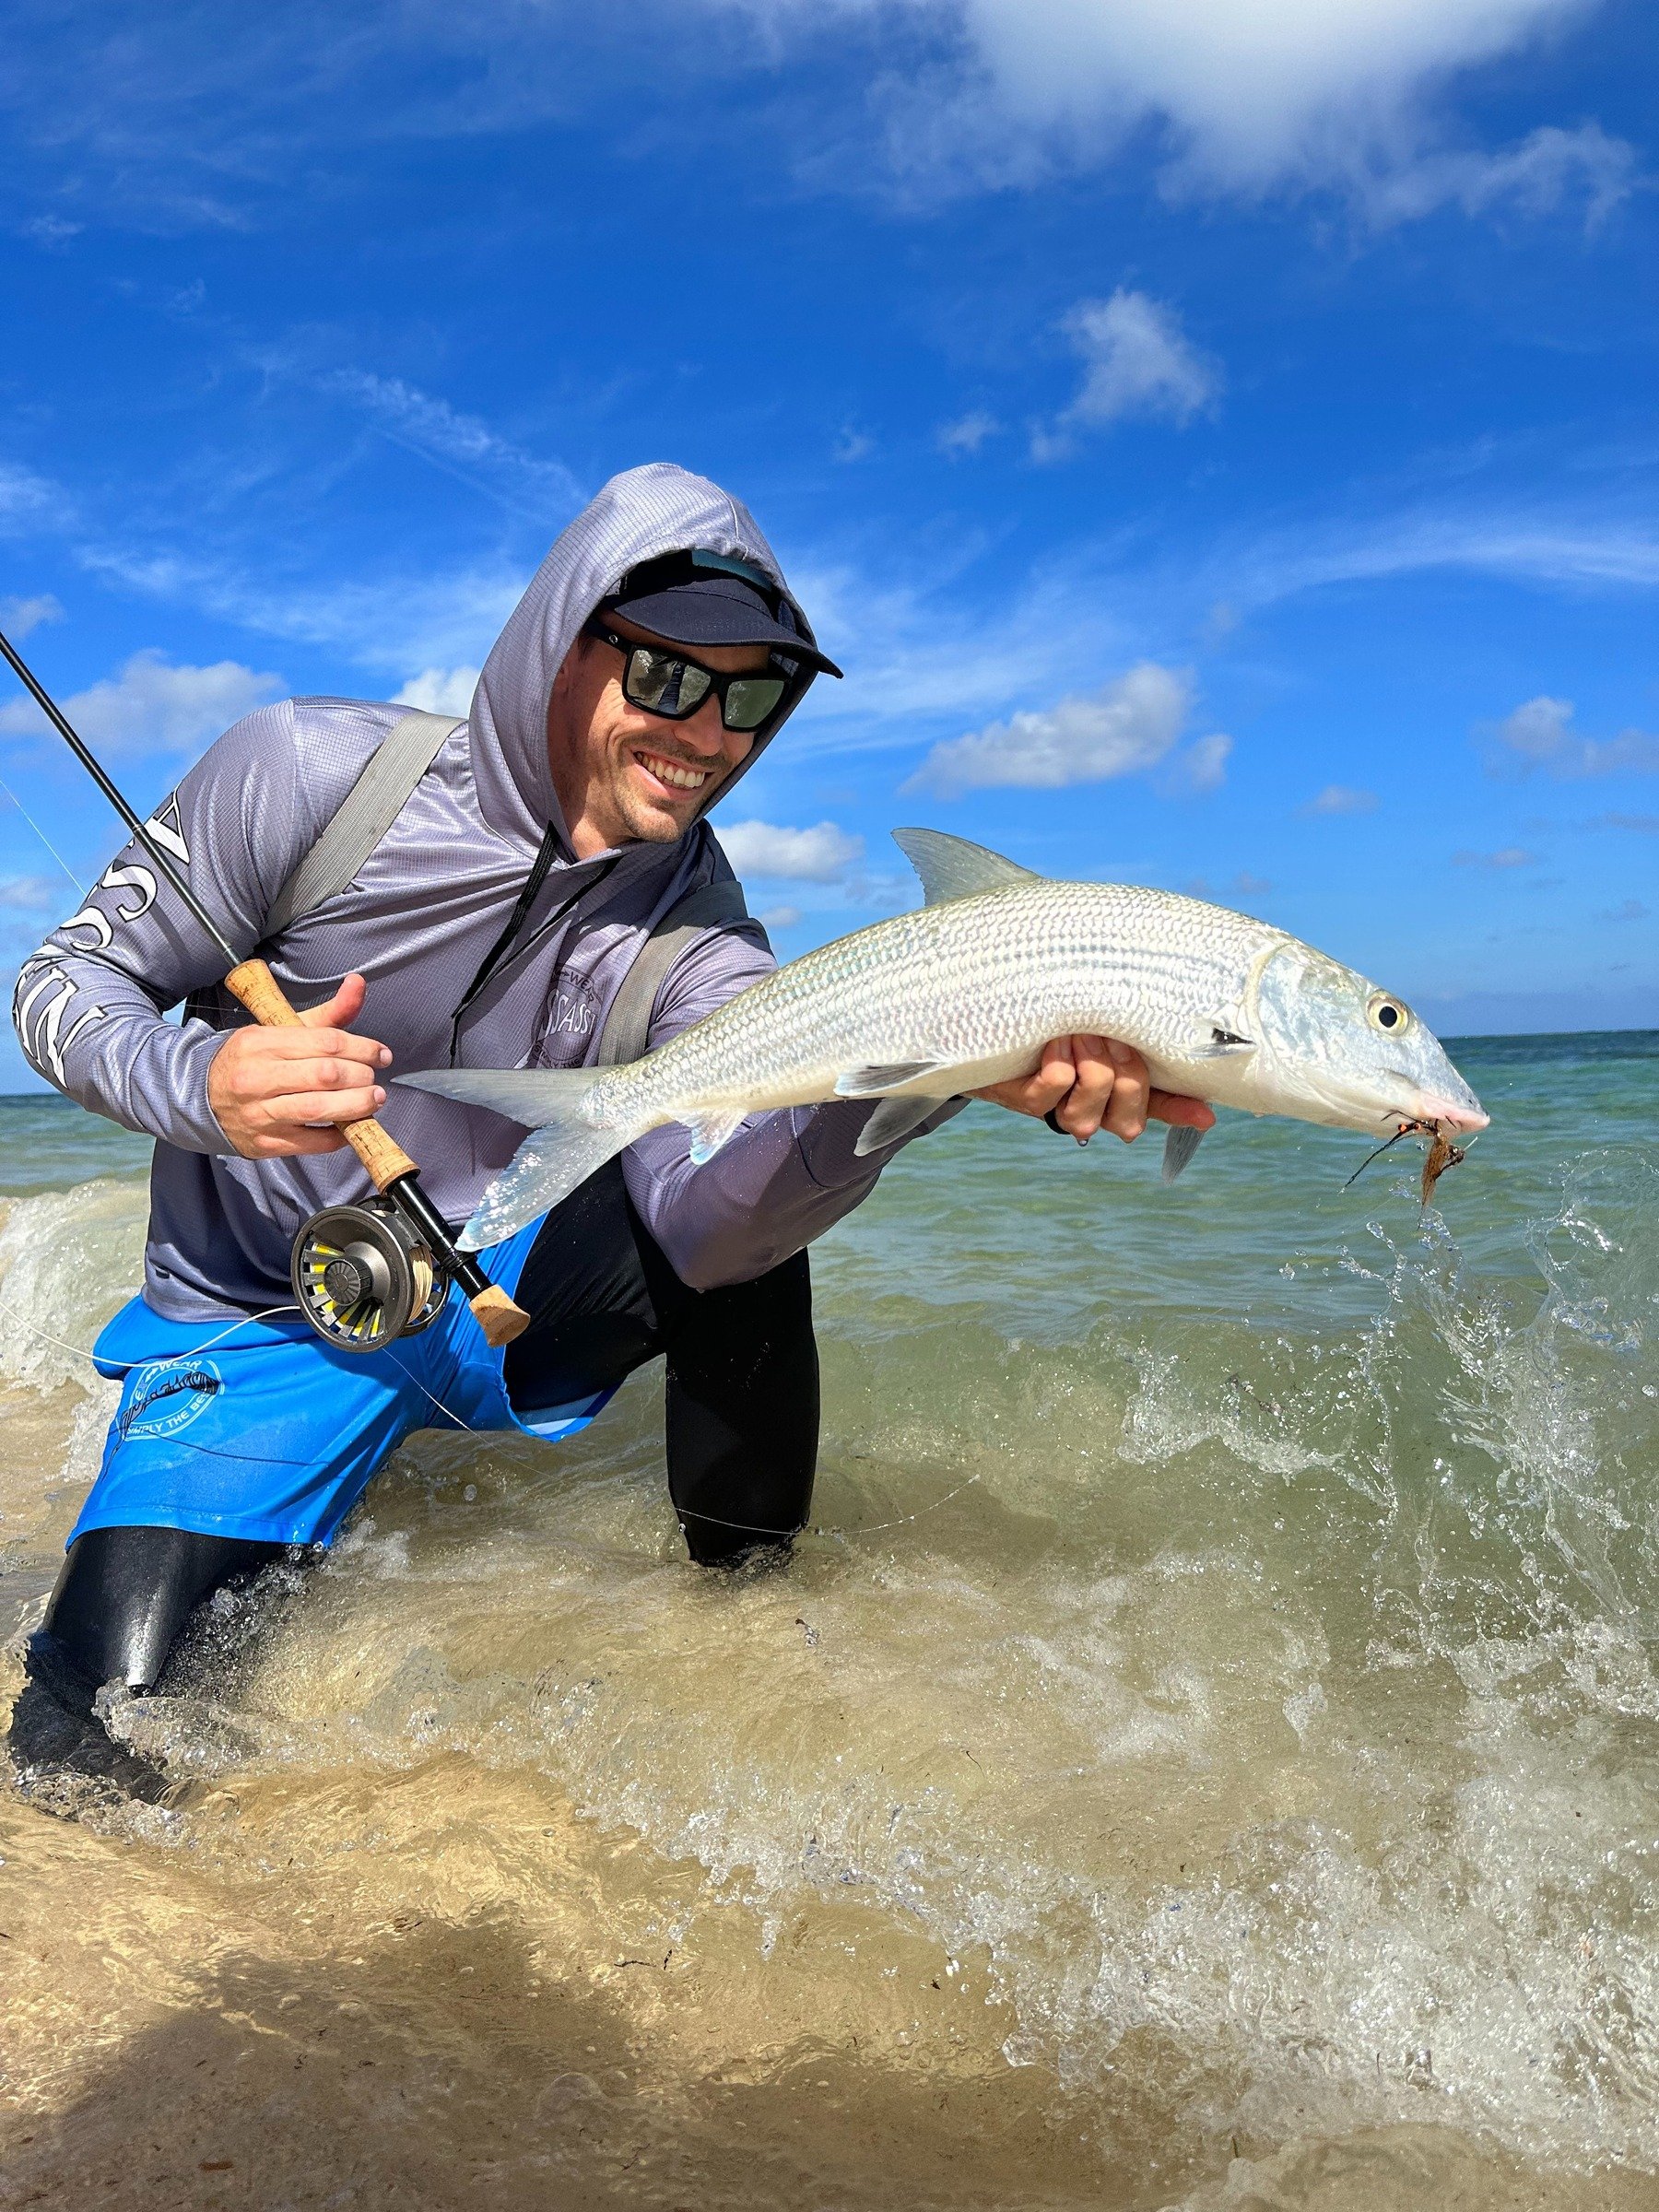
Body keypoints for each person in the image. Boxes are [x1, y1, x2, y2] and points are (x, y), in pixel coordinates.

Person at [6, 463, 1212, 1796]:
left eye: (753, 696)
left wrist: (923, 1077)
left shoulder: (706, 929)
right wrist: (203, 1085)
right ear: (559, 640)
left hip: (508, 1298)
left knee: (761, 1225)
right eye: (667, 674)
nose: (708, 733)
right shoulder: (311, 776)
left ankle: (753, 1622)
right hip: (272, 1314)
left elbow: (712, 1224)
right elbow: (62, 985)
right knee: (93, 1752)